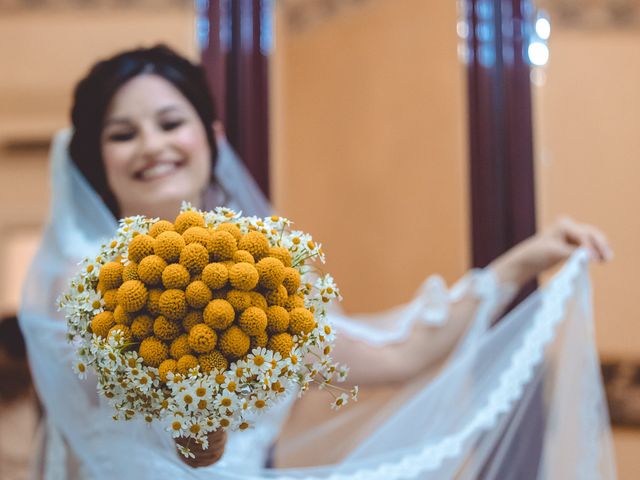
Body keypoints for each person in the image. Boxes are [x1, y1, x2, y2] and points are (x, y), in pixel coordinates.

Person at [18, 45, 615, 479]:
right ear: (96, 161)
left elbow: (397, 353)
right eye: (123, 134)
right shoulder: (84, 281)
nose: (152, 145)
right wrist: (203, 389)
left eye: (171, 122)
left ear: (212, 137)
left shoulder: (268, 275)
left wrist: (515, 267)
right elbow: (190, 446)